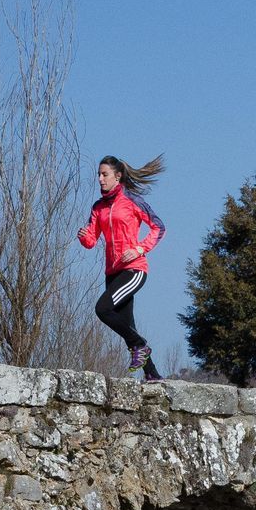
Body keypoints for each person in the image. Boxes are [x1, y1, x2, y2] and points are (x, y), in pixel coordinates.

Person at [78, 155, 166, 382]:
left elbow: (159, 227)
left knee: (103, 309)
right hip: (112, 272)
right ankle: (152, 374)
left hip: (134, 269)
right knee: (127, 325)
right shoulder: (98, 207)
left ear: (118, 176)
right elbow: (91, 240)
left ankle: (141, 346)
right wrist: (84, 236)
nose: (100, 179)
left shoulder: (131, 200)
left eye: (104, 174)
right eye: (98, 174)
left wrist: (139, 249)